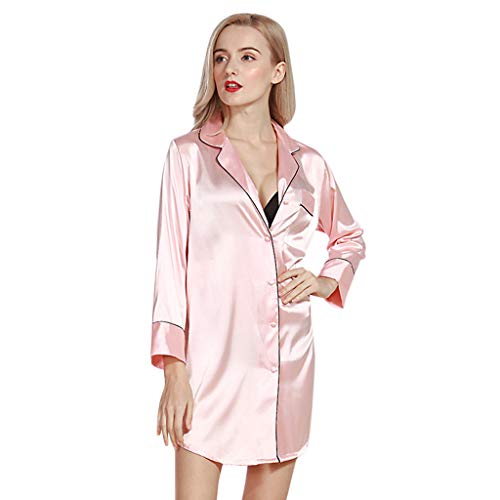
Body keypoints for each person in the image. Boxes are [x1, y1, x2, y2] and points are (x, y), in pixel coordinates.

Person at [151, 13, 367, 499]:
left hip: (285, 363)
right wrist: (174, 370)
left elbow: (349, 237)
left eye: (247, 57)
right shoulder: (188, 155)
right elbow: (170, 268)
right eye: (221, 57)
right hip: (209, 364)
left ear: (277, 71)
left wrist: (325, 280)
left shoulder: (308, 164)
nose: (230, 69)